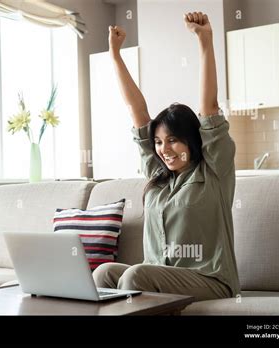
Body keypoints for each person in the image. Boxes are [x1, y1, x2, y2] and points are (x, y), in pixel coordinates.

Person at [93, 12, 240, 301]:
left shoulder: (214, 170)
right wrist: (115, 56)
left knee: (136, 274)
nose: (164, 149)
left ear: (191, 140)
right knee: (103, 273)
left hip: (210, 279)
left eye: (172, 140)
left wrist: (205, 41)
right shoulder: (158, 176)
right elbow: (137, 110)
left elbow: (209, 106)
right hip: (162, 277)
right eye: (159, 142)